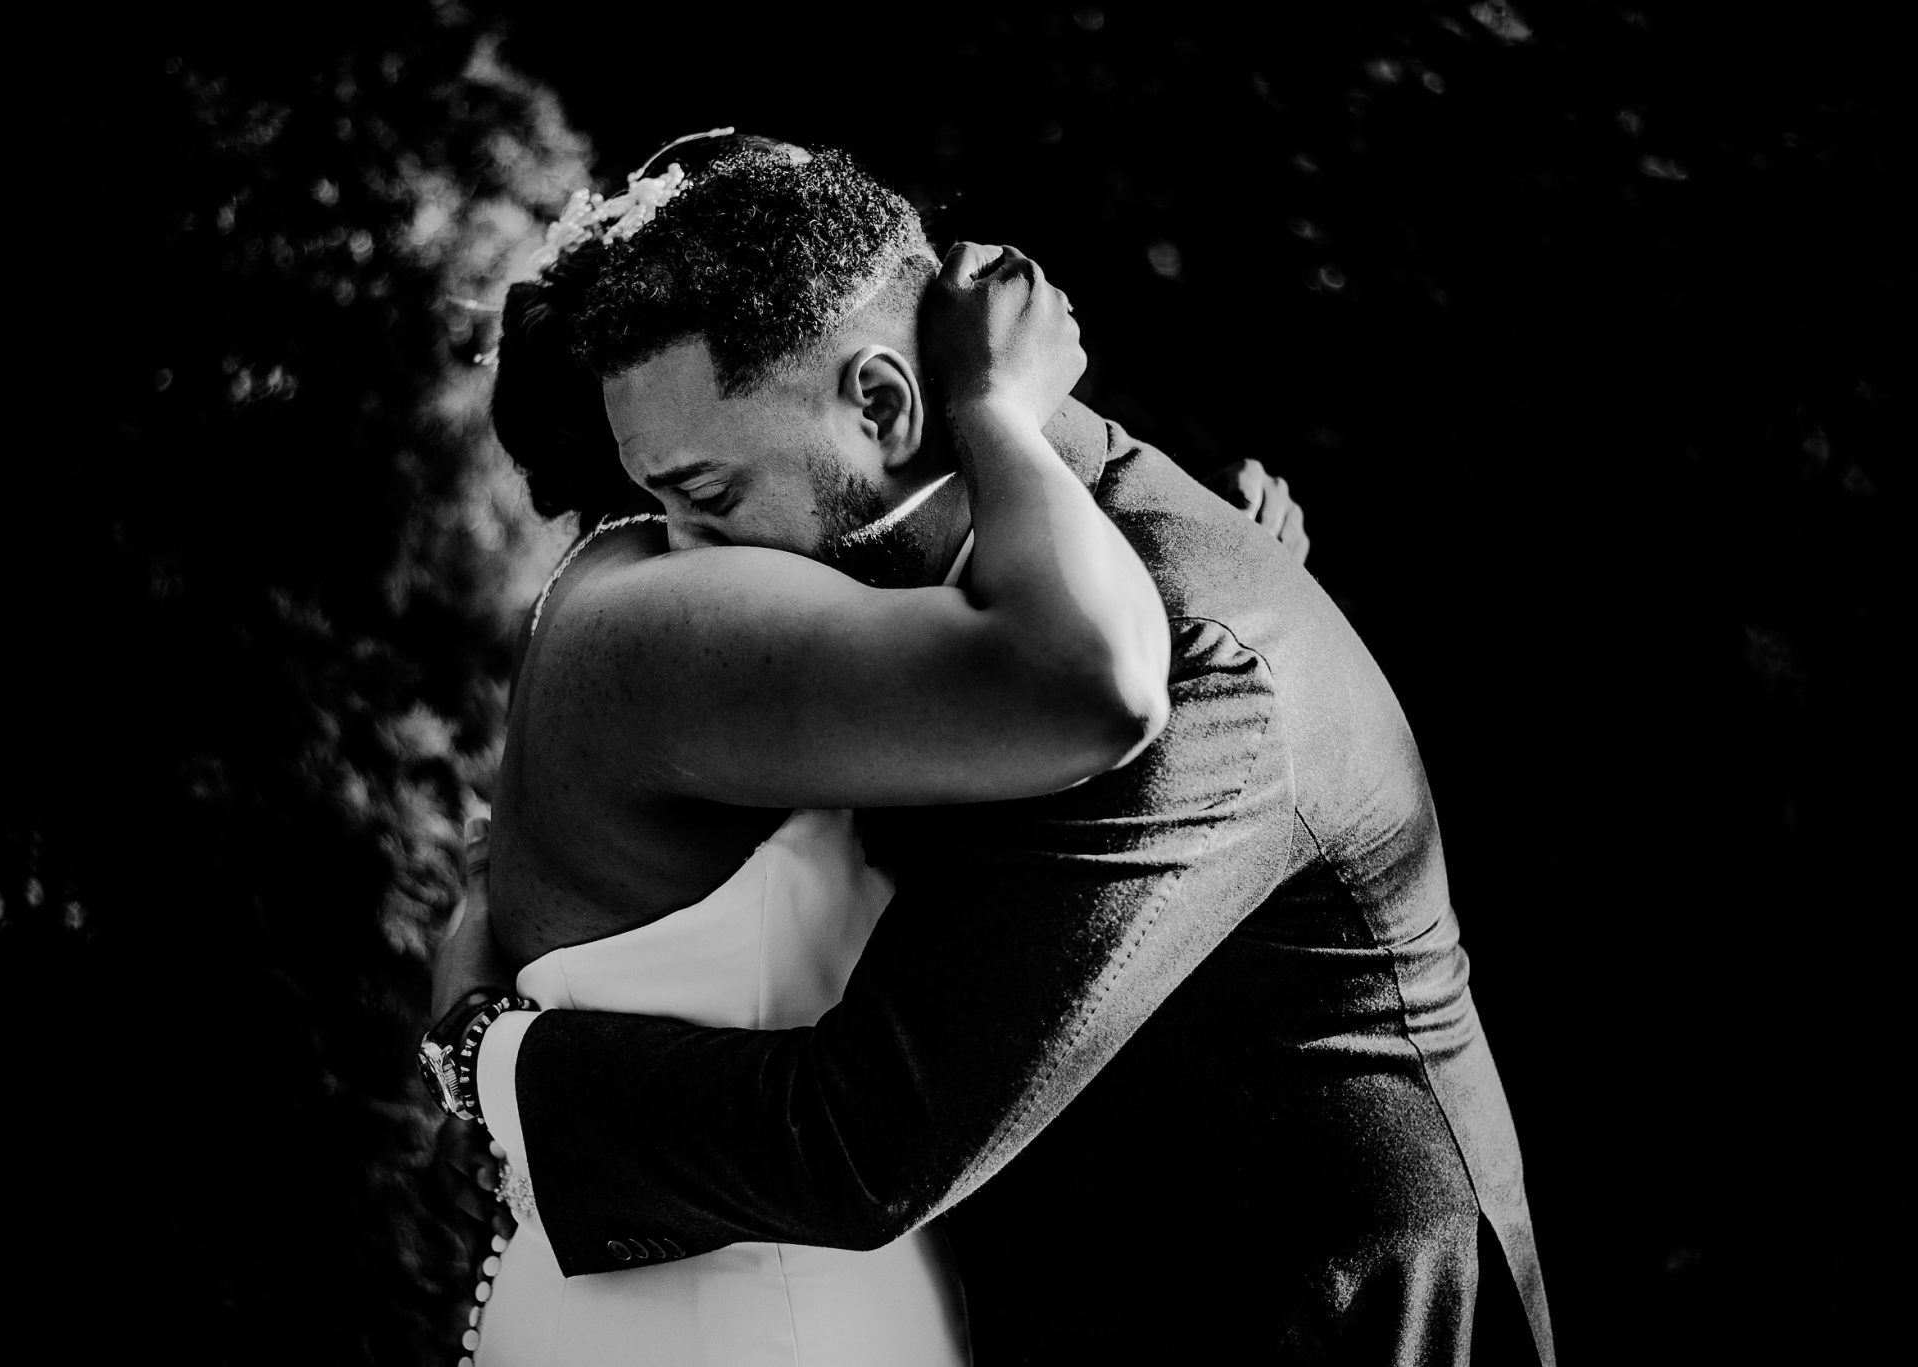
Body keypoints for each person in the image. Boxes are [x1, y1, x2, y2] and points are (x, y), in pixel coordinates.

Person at [433, 136, 1555, 1363]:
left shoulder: (1186, 658)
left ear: (882, 404)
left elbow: (864, 1145)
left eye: (712, 493)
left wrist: (487, 1056)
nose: (690, 556)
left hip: (1298, 1307)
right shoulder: (958, 607)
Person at [422, 133, 1187, 1365]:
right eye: (679, 493)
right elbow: (1090, 681)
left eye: (707, 497)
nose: (689, 539)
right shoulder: (673, 617)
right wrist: (999, 406)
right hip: (741, 1320)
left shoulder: (649, 604)